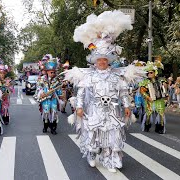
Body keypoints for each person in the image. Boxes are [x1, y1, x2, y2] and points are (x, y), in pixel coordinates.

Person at [65, 10, 138, 172]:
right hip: (94, 110)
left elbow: (123, 92)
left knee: (113, 135)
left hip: (112, 110)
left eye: (105, 60)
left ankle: (111, 160)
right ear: (95, 61)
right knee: (93, 133)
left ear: (108, 61)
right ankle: (91, 154)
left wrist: (127, 106)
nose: (102, 62)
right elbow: (81, 93)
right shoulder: (88, 76)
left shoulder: (116, 76)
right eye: (100, 60)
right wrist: (79, 107)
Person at [37, 54, 63, 135]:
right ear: (47, 72)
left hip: (54, 99)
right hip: (45, 99)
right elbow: (38, 88)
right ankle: (45, 127)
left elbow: (59, 91)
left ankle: (53, 128)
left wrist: (60, 96)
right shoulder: (41, 79)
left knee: (54, 113)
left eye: (54, 72)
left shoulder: (57, 80)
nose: (53, 73)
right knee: (46, 113)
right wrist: (41, 93)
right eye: (51, 72)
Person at [139, 61, 168, 134]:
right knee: (148, 114)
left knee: (161, 114)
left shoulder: (161, 80)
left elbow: (164, 90)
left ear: (155, 72)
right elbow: (142, 91)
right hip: (150, 101)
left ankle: (160, 128)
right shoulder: (144, 81)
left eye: (151, 72)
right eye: (148, 73)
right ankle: (147, 126)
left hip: (160, 100)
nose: (149, 74)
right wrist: (148, 97)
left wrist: (165, 95)